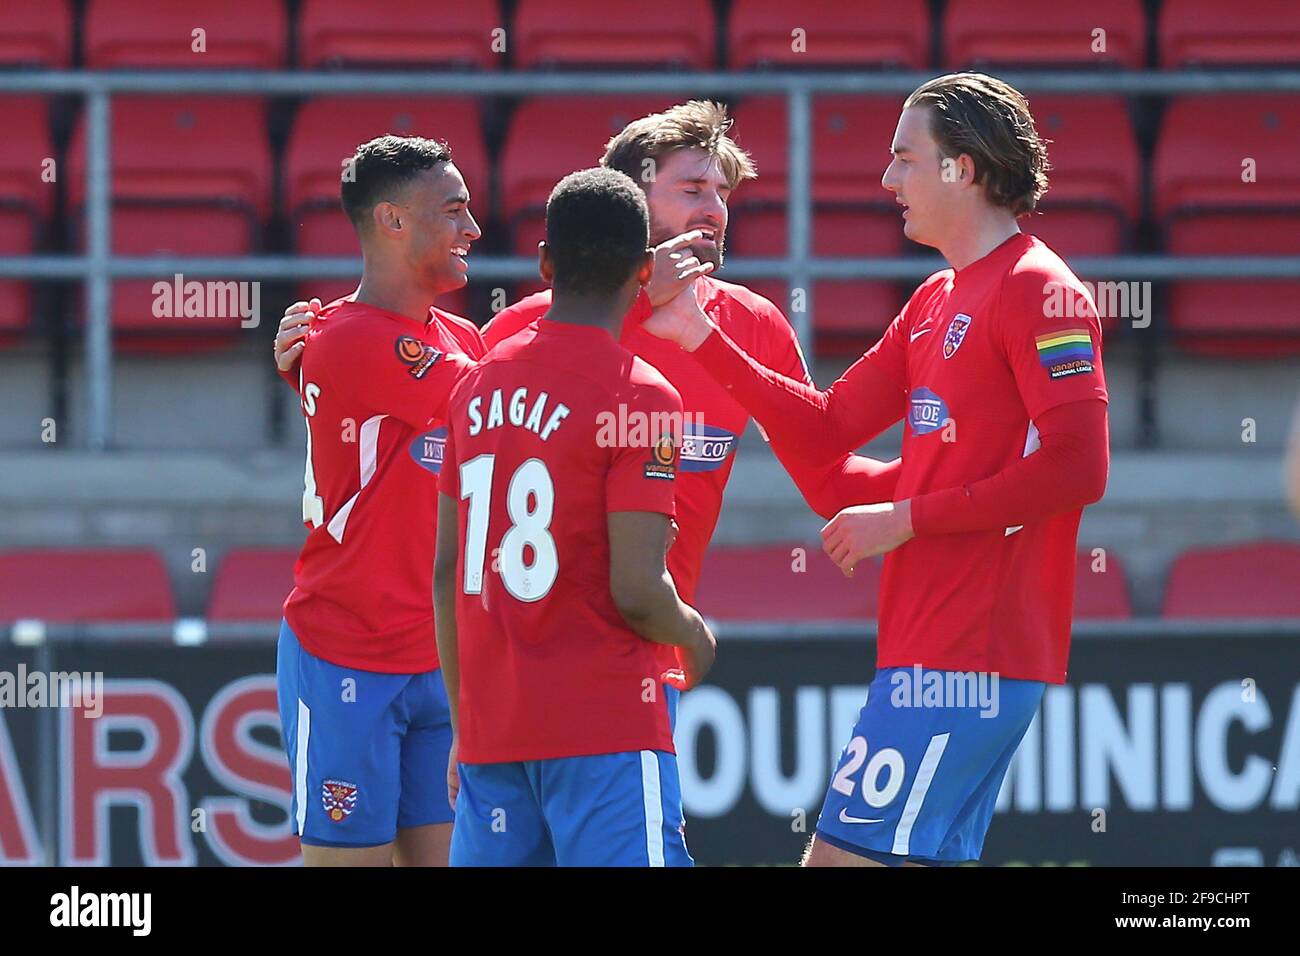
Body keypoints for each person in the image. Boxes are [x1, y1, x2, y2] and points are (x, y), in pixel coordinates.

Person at [276, 100, 901, 725]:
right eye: (691, 188)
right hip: (520, 657)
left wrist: (957, 479)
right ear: (628, 199)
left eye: (722, 190)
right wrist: (319, 362)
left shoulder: (753, 325)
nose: (713, 208)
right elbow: (430, 436)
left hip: (645, 659)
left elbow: (829, 479)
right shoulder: (530, 324)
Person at [643, 73, 1111, 867]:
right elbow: (826, 426)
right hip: (929, 641)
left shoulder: (1040, 290)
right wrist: (702, 337)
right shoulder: (934, 299)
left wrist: (904, 517)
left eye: (905, 158)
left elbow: (1078, 469)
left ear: (961, 168)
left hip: (973, 652)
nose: (888, 179)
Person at [434, 167, 716, 866]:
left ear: (545, 265)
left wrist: (465, 719)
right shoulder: (644, 396)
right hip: (606, 728)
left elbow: (446, 574)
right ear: (644, 271)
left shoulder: (474, 385)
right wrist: (696, 637)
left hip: (494, 734)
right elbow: (638, 592)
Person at [275, 134, 484, 866]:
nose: (473, 228)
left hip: (439, 661)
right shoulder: (351, 337)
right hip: (347, 655)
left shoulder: (453, 336)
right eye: (453, 209)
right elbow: (495, 401)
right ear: (392, 221)